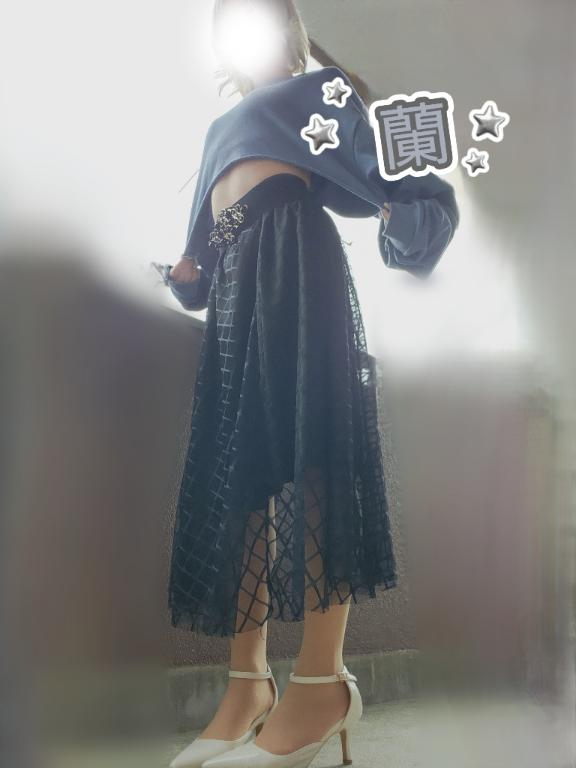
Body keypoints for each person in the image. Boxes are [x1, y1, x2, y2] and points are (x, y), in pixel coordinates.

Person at [164, 2, 459, 766]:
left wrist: (395, 212)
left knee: (317, 456)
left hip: (298, 262)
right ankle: (247, 684)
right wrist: (187, 273)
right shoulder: (218, 129)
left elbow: (411, 185)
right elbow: (207, 248)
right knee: (240, 483)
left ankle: (322, 680)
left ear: (291, 34)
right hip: (237, 296)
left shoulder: (318, 94)